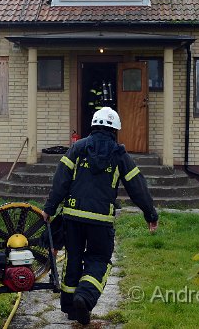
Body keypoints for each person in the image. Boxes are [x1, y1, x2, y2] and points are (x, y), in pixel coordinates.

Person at [41, 107, 158, 326]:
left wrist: (49, 208)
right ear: (115, 129)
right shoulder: (119, 154)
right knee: (99, 259)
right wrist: (150, 213)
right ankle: (84, 297)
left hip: (73, 216)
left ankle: (69, 307)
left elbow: (61, 181)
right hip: (101, 220)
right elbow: (137, 186)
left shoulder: (77, 148)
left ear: (93, 125)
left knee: (73, 258)